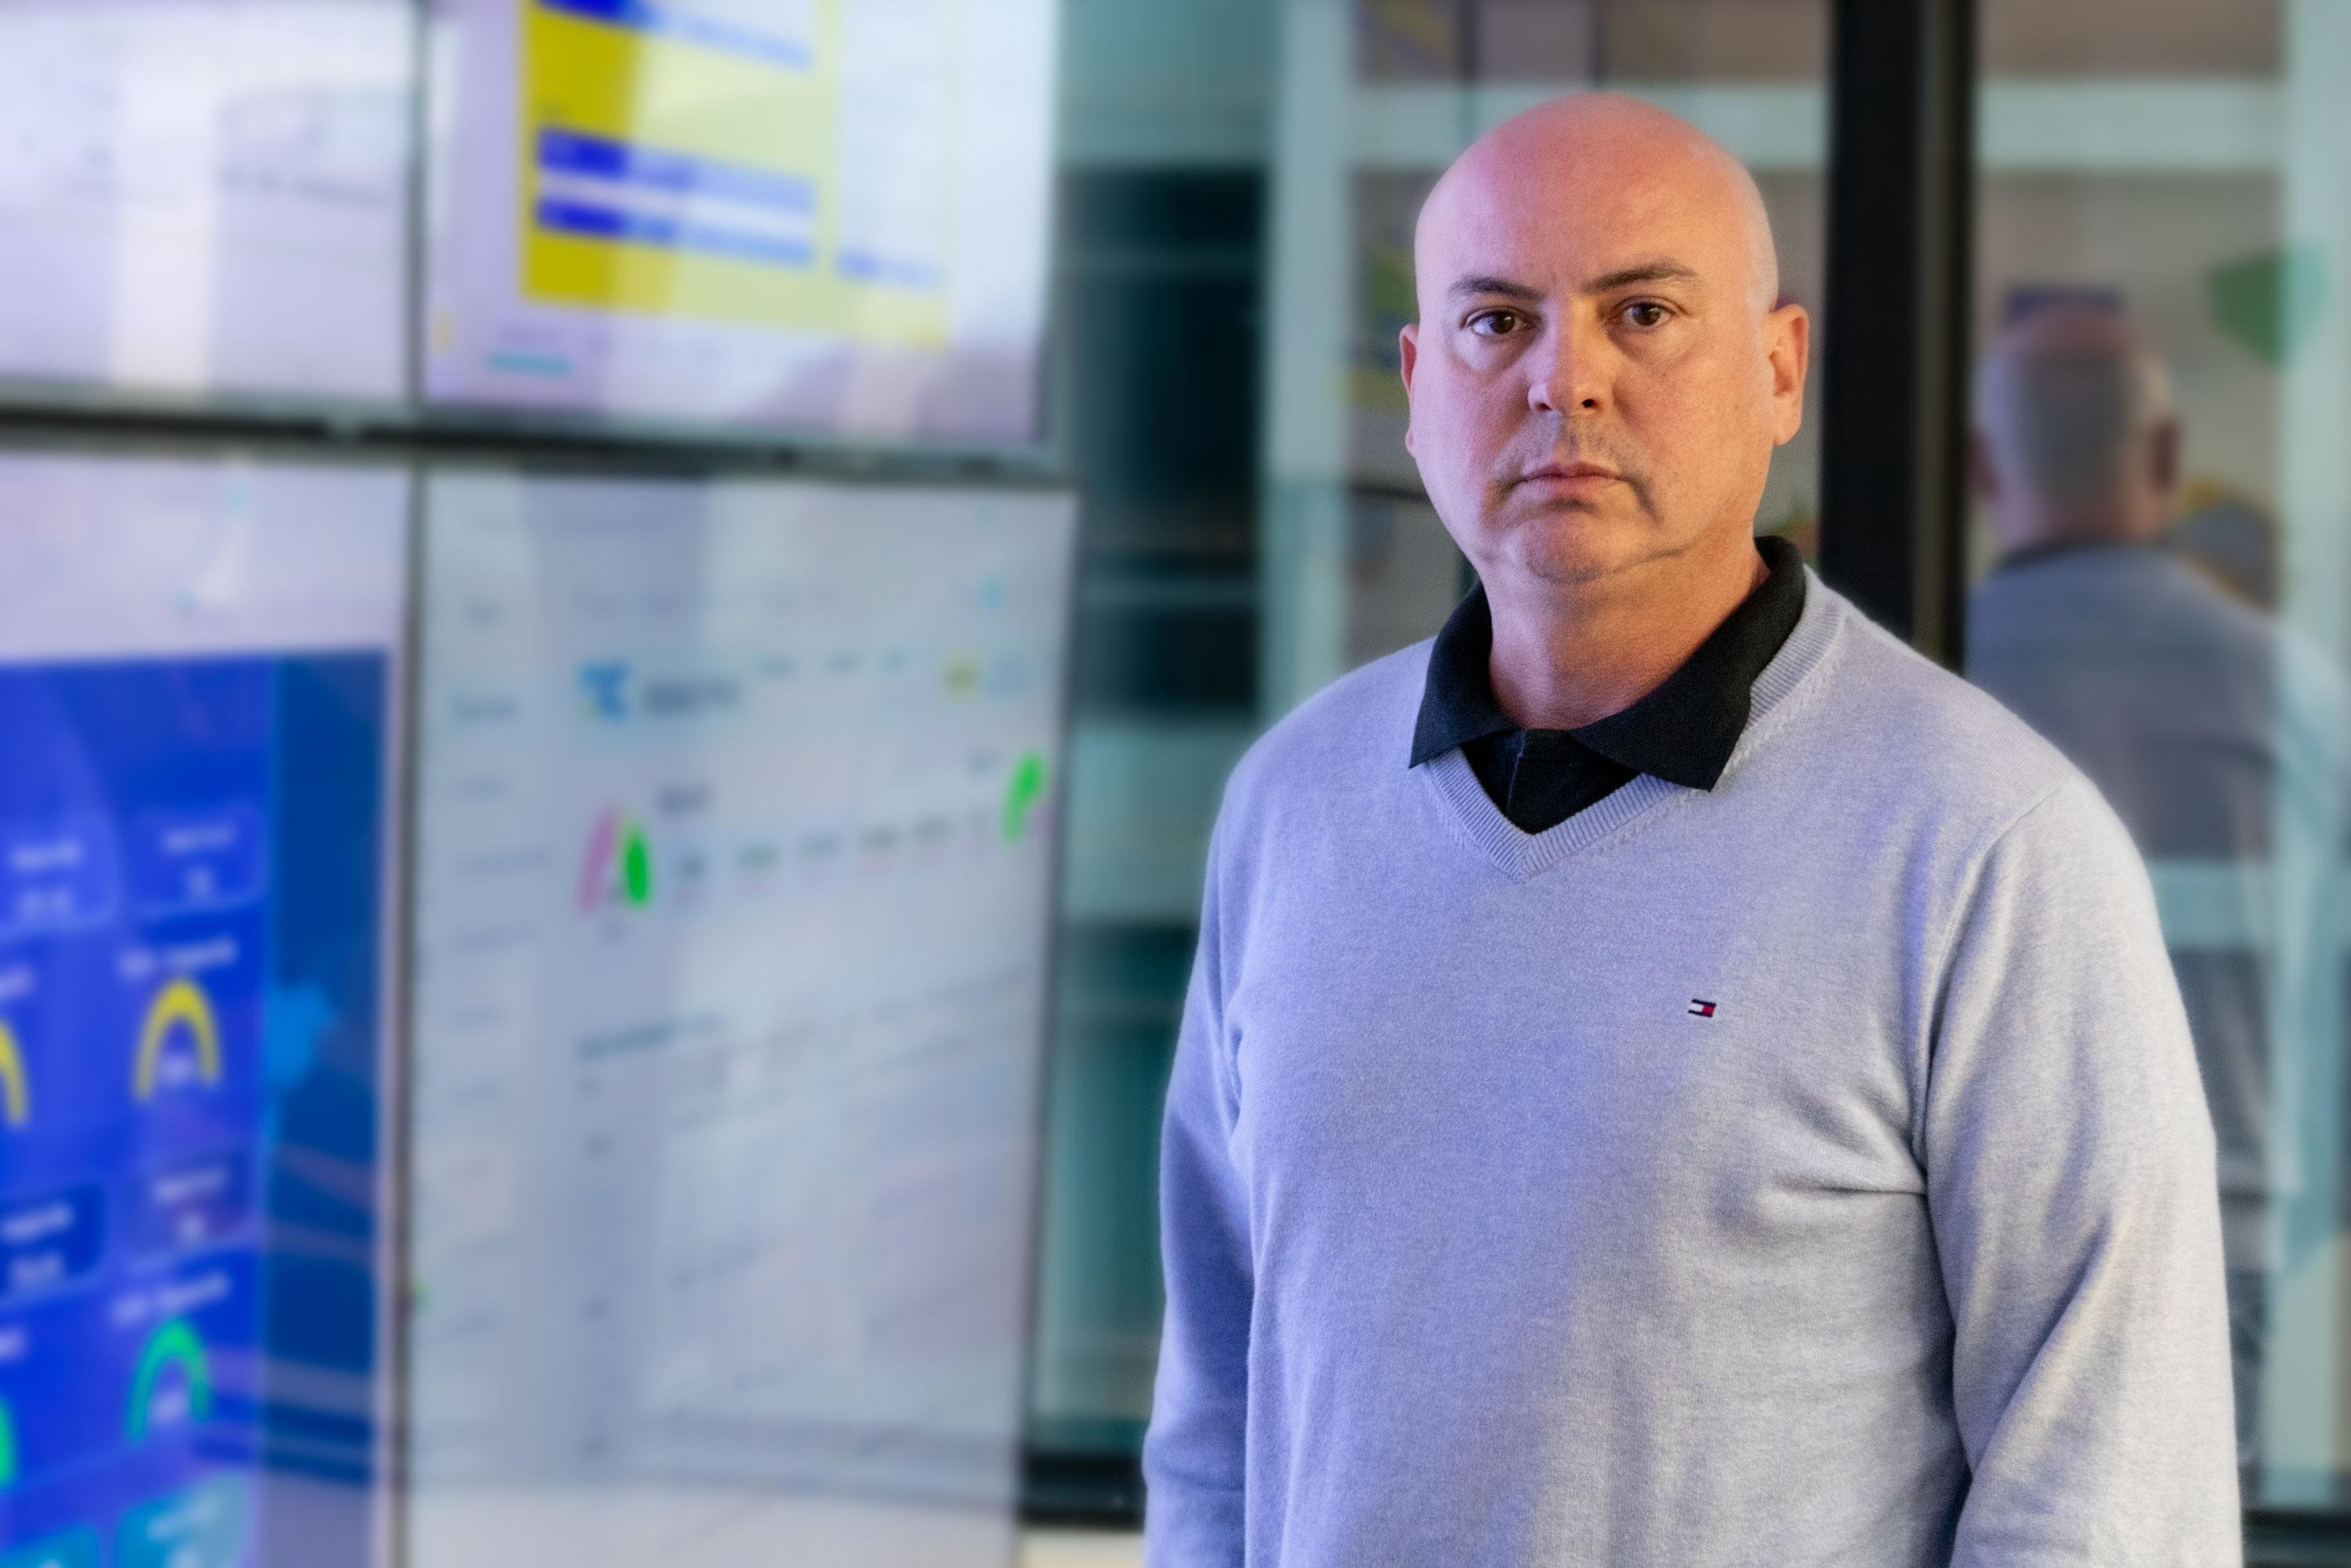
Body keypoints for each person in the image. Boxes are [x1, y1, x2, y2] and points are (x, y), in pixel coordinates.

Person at [1143, 95, 2238, 1566]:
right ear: (1415, 384)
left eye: (1643, 314)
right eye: (1495, 323)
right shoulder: (1293, 805)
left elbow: (2109, 1497)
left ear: (1780, 370)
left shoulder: (1990, 846)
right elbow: (1218, 1419)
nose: (1563, 381)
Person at [1966, 303, 2348, 1470]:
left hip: (1960, 1248)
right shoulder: (2296, 697)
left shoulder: (1927, 683)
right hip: (2224, 1243)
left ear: (1981, 469)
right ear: (2170, 460)